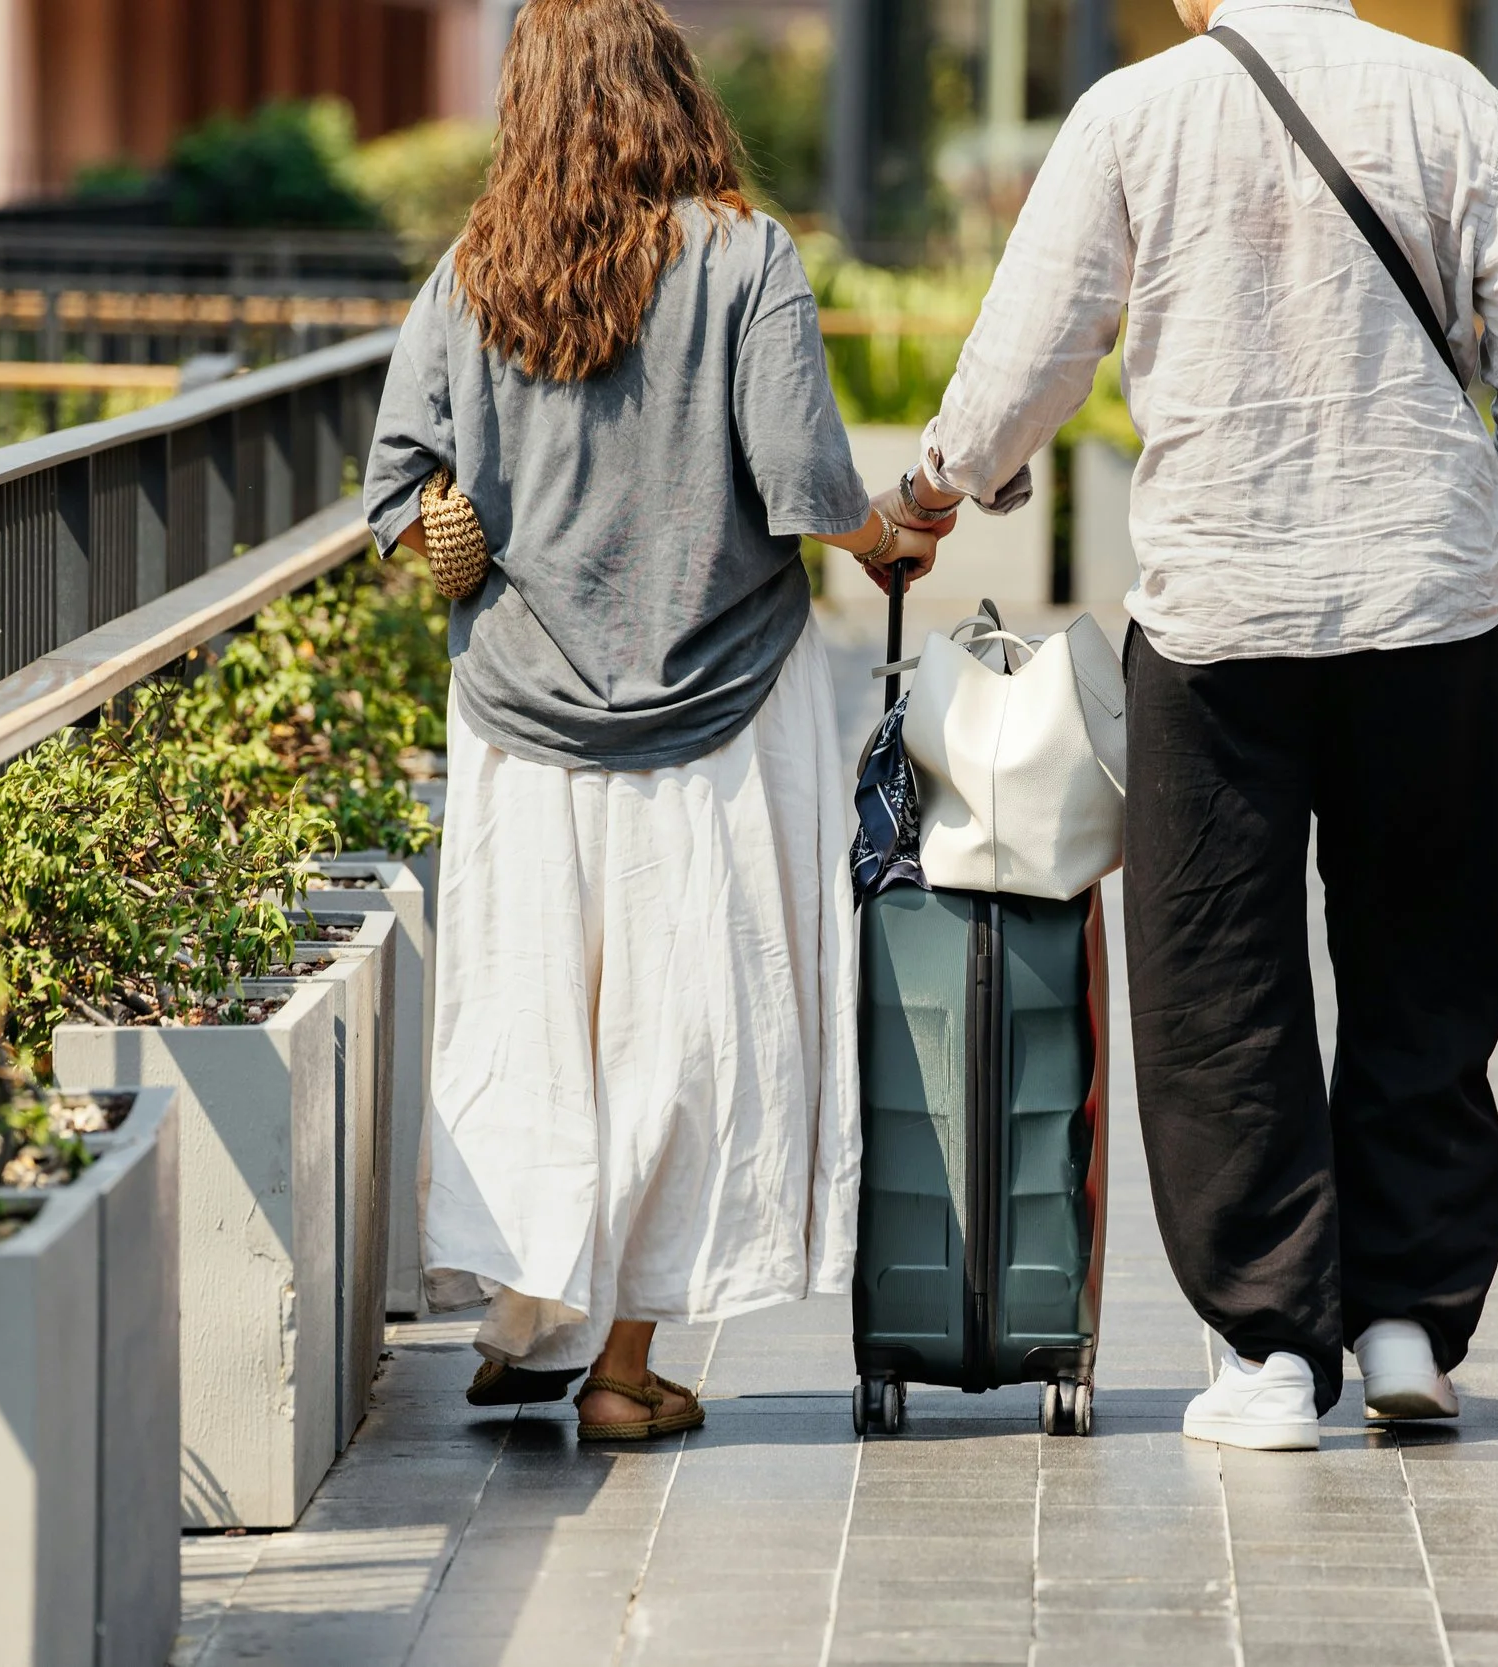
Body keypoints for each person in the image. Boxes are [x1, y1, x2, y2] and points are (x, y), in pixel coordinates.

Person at [880, 0, 1498, 1448]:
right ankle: (1405, 1322)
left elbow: (1031, 348)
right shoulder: (1450, 98)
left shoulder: (1137, 115)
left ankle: (1269, 1348)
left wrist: (945, 484)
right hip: (1427, 603)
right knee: (1424, 962)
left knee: (1218, 975)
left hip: (1220, 611)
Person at [363, 0, 938, 1441]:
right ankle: (621, 1358)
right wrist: (887, 540)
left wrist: (460, 518)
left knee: (539, 1018)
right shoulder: (747, 257)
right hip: (720, 708)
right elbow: (803, 480)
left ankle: (525, 1313)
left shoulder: (472, 273)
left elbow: (394, 490)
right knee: (687, 1027)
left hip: (519, 711)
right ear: (673, 87)